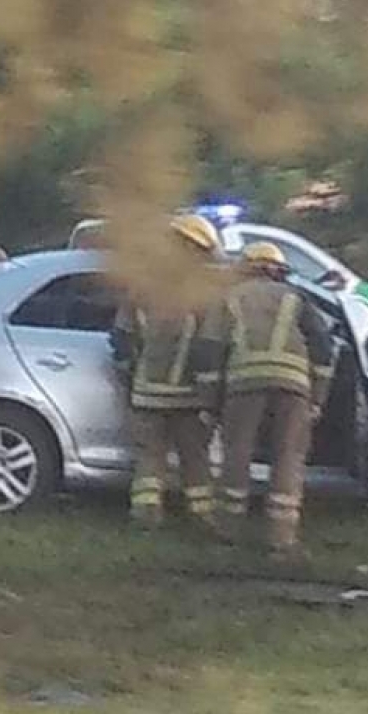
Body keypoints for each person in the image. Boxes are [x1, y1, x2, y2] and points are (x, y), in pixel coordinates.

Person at [195, 241, 335, 557]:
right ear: (278, 270)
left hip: (244, 385)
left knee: (237, 454)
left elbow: (210, 351)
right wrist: (318, 398)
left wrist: (210, 404)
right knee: (288, 457)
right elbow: (323, 346)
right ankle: (281, 539)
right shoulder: (297, 298)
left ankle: (227, 532)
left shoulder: (228, 299)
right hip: (294, 389)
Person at [109, 214, 225, 529]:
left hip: (148, 391)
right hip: (189, 397)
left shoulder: (145, 283)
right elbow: (212, 344)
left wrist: (131, 373)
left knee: (150, 457)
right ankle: (202, 515)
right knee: (195, 458)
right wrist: (211, 394)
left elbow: (122, 334)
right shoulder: (202, 292)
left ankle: (146, 516)